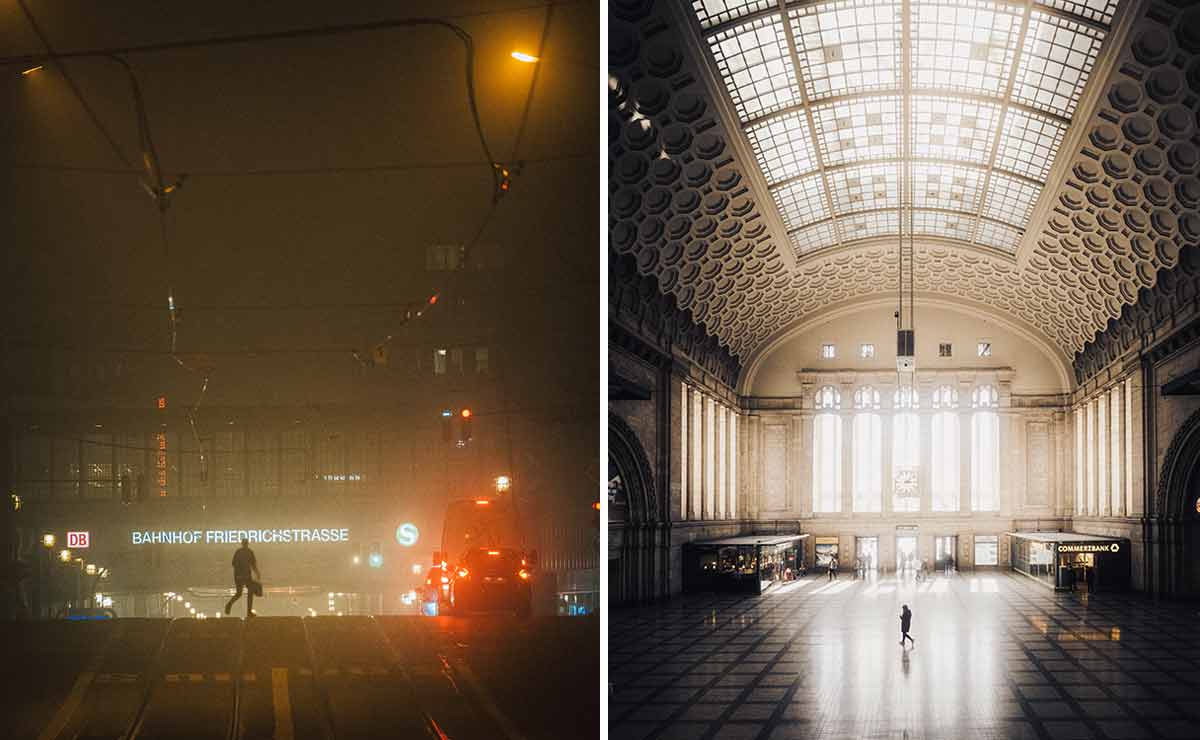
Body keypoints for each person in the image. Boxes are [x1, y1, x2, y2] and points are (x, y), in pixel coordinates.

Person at [224, 538, 260, 617]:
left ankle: (229, 605)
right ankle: (249, 612)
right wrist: (257, 573)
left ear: (242, 544)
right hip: (246, 575)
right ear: (247, 544)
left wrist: (239, 573)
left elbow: (234, 564)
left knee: (239, 593)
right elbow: (253, 565)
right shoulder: (250, 552)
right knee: (250, 592)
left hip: (238, 575)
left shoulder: (238, 552)